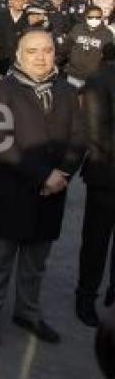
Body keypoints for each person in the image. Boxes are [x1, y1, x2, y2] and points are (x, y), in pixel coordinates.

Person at [0, 27, 85, 348]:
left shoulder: (65, 90)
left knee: (35, 263)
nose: (40, 57)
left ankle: (28, 312)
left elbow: (78, 136)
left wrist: (63, 172)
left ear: (55, 54)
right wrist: (43, 176)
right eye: (33, 51)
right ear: (20, 55)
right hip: (12, 192)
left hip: (53, 194)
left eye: (47, 50)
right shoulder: (2, 89)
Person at [78, 56, 115, 327]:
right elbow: (94, 135)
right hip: (106, 177)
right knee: (96, 243)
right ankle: (86, 297)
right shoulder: (100, 80)